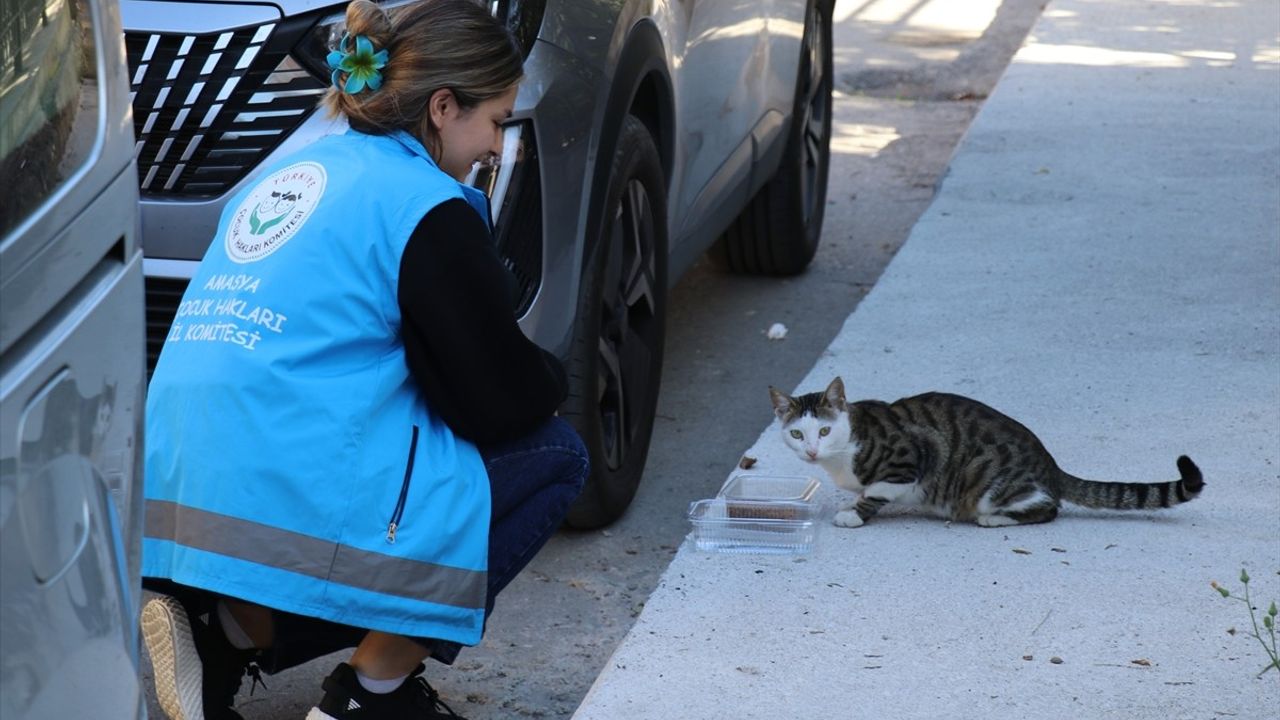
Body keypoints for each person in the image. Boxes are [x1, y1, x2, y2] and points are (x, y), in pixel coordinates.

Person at [139, 1, 588, 718]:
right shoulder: (425, 206)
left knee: (396, 449)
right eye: (497, 122)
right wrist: (555, 379)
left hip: (175, 493)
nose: (500, 149)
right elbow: (493, 399)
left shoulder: (295, 169)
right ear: (443, 106)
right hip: (279, 485)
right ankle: (368, 693)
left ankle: (217, 628)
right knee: (552, 457)